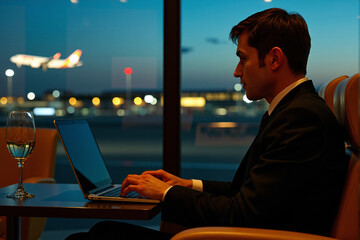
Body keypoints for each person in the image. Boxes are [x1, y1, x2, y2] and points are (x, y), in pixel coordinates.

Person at [66, 8, 348, 240]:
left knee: (96, 235)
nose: (236, 71)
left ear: (274, 59)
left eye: (243, 58)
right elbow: (250, 194)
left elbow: (243, 213)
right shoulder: (293, 110)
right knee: (100, 232)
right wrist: (187, 184)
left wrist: (166, 193)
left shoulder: (301, 118)